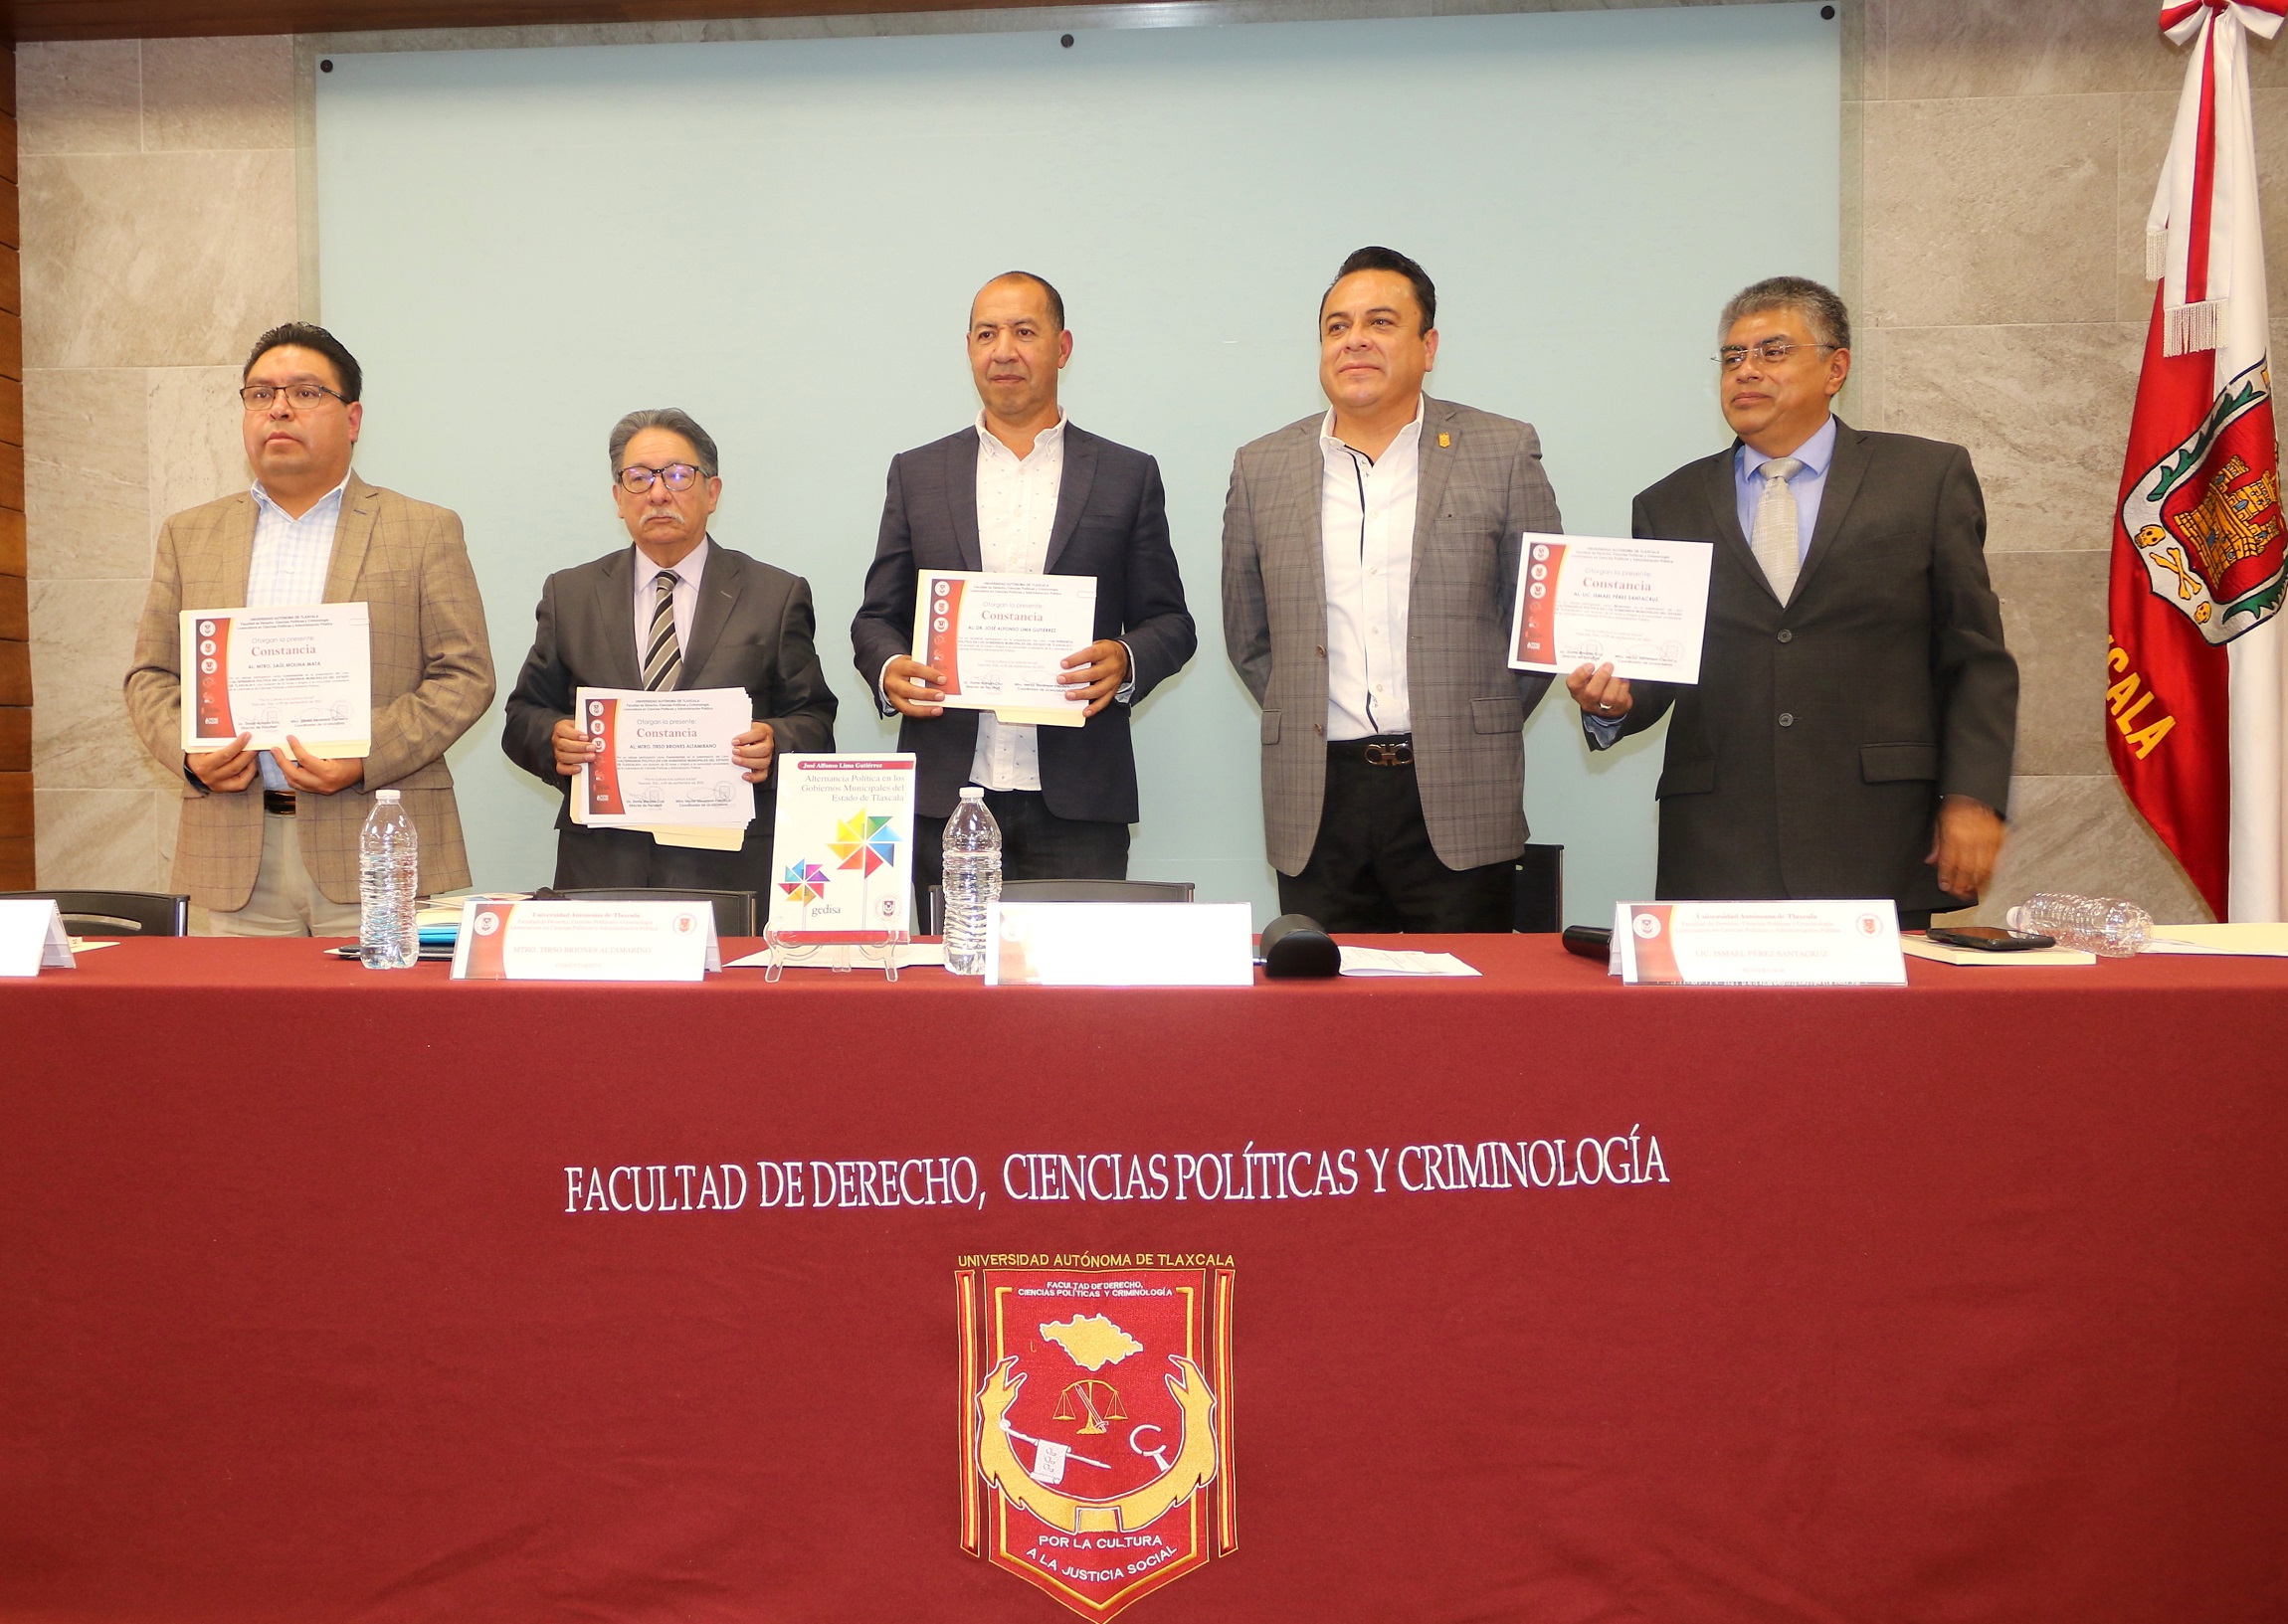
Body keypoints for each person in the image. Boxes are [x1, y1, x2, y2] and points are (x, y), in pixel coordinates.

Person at [1567, 276, 2017, 927]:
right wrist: (1613, 701)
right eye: (1732, 357)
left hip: (1878, 834)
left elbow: (1974, 656)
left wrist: (1972, 796)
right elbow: (1661, 672)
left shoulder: (1924, 479)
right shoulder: (1669, 504)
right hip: (1720, 842)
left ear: (1836, 368)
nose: (1745, 370)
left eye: (1772, 352)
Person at [1222, 246, 1564, 932]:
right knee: (1326, 998)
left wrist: (1474, 718)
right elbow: (1249, 637)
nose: (1355, 340)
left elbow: (1539, 626)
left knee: (1468, 998)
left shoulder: (1503, 450)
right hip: (1318, 798)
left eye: (1380, 322)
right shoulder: (1261, 466)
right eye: (1337, 326)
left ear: (1427, 346)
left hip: (1459, 791)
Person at [124, 322, 495, 935]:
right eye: (260, 394)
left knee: (381, 1003)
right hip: (233, 851)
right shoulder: (189, 534)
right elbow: (151, 675)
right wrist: (190, 755)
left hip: (377, 846)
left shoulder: (423, 529)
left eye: (304, 392)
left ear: (352, 419)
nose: (278, 409)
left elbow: (465, 675)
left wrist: (364, 754)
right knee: (242, 1005)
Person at [851, 271, 1195, 909]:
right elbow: (876, 618)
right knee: (950, 970)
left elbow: (1171, 623)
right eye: (987, 334)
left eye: (1024, 332)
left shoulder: (1126, 475)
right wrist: (890, 668)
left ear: (1062, 348)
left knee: (1076, 972)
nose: (1003, 350)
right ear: (968, 349)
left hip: (1079, 801)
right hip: (946, 799)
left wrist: (1125, 660)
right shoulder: (918, 473)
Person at [501, 409, 838, 896]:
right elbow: (522, 716)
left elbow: (815, 722)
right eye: (638, 478)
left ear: (712, 492)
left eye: (678, 475)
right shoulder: (570, 594)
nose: (658, 493)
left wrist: (774, 744)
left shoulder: (775, 595)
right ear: (618, 499)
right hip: (603, 867)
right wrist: (553, 740)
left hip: (732, 871)